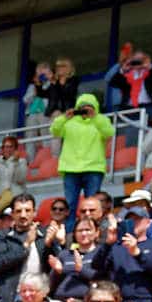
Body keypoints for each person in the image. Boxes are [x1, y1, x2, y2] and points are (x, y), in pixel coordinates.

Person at [52, 92, 113, 222]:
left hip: (93, 169)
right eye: (82, 108)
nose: (85, 110)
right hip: (71, 169)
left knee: (92, 205)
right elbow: (54, 131)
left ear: (95, 108)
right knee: (70, 205)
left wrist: (95, 117)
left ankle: (91, 230)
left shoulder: (101, 120)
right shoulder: (69, 122)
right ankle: (69, 232)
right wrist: (64, 117)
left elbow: (109, 133)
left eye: (89, 107)